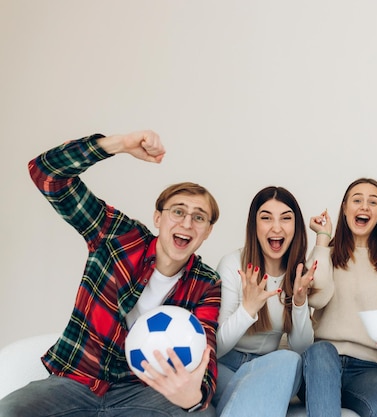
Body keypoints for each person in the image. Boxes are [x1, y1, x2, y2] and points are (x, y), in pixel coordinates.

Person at [0, 131, 220, 416]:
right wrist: (117, 145)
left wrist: (194, 397)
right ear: (158, 218)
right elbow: (46, 174)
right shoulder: (117, 236)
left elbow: (206, 351)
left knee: (203, 414)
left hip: (143, 393)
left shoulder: (206, 282)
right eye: (178, 212)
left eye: (199, 217)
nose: (187, 222)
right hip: (75, 382)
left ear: (207, 231)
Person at [300, 178, 377, 417]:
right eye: (357, 200)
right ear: (344, 209)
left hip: (371, 370)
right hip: (323, 363)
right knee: (321, 351)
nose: (364, 206)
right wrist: (322, 238)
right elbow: (316, 298)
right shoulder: (326, 254)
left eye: (373, 202)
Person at [212, 186, 316, 417]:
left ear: (295, 227)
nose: (276, 227)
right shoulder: (232, 265)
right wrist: (247, 309)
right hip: (226, 365)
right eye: (266, 218)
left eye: (286, 219)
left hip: (270, 367)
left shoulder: (298, 273)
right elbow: (215, 347)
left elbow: (301, 348)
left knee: (291, 359)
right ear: (254, 225)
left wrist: (299, 303)